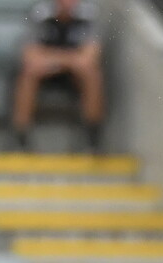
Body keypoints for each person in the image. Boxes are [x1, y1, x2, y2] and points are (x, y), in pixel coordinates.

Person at [12, 0, 104, 151]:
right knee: (28, 75)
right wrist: (69, 59)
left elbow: (90, 57)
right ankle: (21, 138)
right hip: (46, 73)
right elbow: (30, 57)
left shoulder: (88, 16)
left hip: (73, 74)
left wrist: (53, 58)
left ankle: (92, 138)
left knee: (92, 75)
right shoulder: (40, 14)